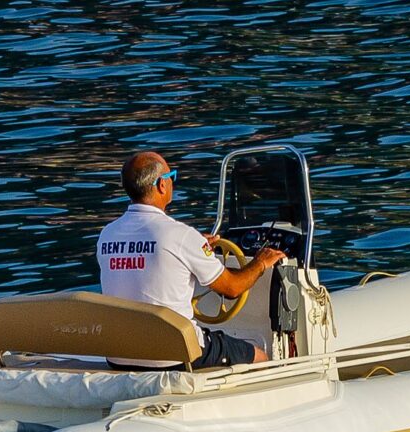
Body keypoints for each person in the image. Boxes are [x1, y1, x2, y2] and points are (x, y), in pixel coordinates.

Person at [97, 151, 285, 370]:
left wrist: (196, 246)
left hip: (120, 355)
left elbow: (144, 262)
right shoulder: (180, 235)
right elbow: (232, 288)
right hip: (174, 354)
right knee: (259, 355)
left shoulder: (107, 235)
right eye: (172, 177)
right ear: (161, 185)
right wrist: (261, 262)